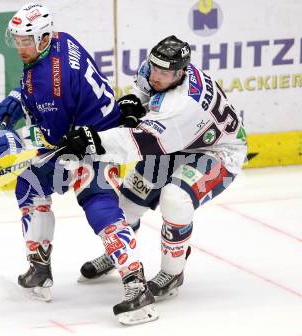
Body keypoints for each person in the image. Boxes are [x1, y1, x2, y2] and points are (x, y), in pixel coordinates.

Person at [0, 3, 157, 325]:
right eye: (17, 40)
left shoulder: (49, 79)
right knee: (30, 183)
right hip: (83, 132)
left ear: (44, 38)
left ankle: (136, 285)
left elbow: (51, 136)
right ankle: (40, 268)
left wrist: (8, 142)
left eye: (26, 41)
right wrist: (18, 99)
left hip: (97, 143)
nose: (20, 46)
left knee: (98, 205)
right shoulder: (60, 41)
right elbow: (42, 88)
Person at [58, 35, 248, 301]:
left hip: (216, 153)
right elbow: (145, 92)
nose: (156, 76)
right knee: (126, 207)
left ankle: (173, 272)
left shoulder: (181, 106)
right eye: (154, 68)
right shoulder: (158, 70)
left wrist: (93, 141)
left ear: (181, 72)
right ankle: (120, 253)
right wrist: (136, 100)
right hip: (177, 143)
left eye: (164, 73)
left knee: (175, 198)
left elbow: (135, 142)